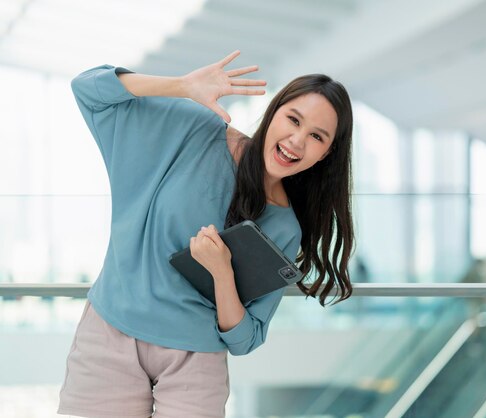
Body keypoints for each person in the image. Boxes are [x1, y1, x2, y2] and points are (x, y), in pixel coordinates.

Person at [57, 50, 355, 418]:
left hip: (195, 364)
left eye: (316, 136)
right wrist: (181, 86)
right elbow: (88, 88)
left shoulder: (285, 227)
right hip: (110, 336)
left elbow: (246, 339)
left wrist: (222, 272)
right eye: (292, 119)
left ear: (326, 154)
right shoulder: (197, 129)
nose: (296, 141)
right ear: (274, 111)